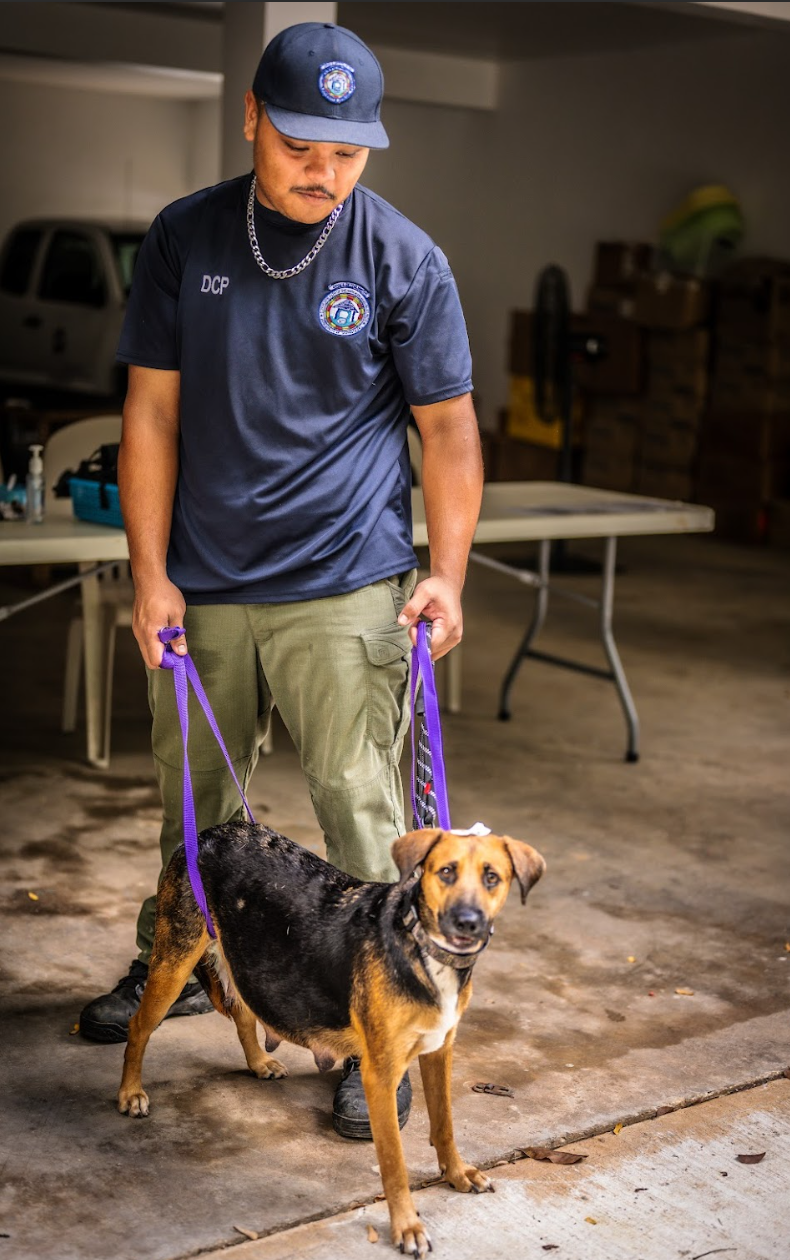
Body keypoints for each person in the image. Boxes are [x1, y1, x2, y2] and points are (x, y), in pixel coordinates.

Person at [78, 21, 483, 1139]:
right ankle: (180, 960)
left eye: (350, 151)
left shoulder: (404, 259)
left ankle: (374, 1039)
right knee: (196, 807)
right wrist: (150, 575)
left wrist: (445, 573)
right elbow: (150, 411)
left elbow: (446, 430)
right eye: (304, 142)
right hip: (202, 584)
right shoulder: (184, 237)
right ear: (252, 116)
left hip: (345, 581)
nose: (326, 170)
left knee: (362, 811)